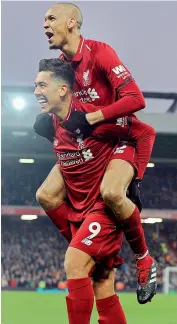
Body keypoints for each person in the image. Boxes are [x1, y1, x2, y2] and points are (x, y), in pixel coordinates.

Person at [36, 1, 156, 302]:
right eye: (43, 19)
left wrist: (92, 118)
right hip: (90, 143)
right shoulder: (62, 69)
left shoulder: (100, 52)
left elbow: (136, 99)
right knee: (46, 195)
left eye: (51, 18)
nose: (44, 24)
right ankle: (92, 247)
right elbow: (66, 110)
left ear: (72, 23)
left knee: (112, 193)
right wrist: (52, 121)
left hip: (121, 137)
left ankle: (144, 259)